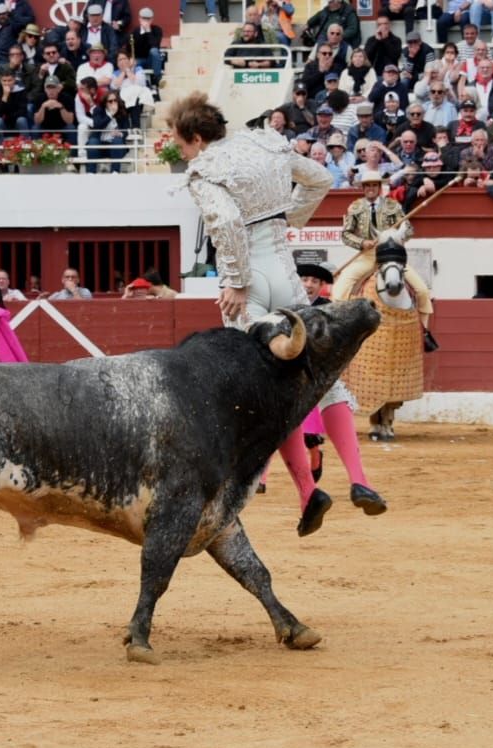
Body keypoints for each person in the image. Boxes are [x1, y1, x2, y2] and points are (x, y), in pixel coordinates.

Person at [167, 91, 385, 536]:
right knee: (322, 375)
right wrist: (292, 220)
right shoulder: (265, 143)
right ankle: (360, 479)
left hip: (249, 280)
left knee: (272, 390)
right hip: (284, 270)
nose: (182, 152)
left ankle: (308, 492)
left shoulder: (205, 169)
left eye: (181, 143)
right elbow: (320, 179)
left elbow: (226, 224)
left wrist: (235, 280)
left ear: (195, 137)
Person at [334, 168, 433, 334]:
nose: (371, 188)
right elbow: (345, 234)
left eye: (374, 185)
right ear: (363, 188)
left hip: (391, 254)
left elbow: (408, 229)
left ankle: (424, 332)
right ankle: (340, 329)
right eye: (367, 185)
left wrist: (394, 237)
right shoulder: (355, 207)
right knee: (339, 289)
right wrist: (362, 242)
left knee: (422, 290)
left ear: (379, 187)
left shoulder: (393, 205)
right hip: (368, 255)